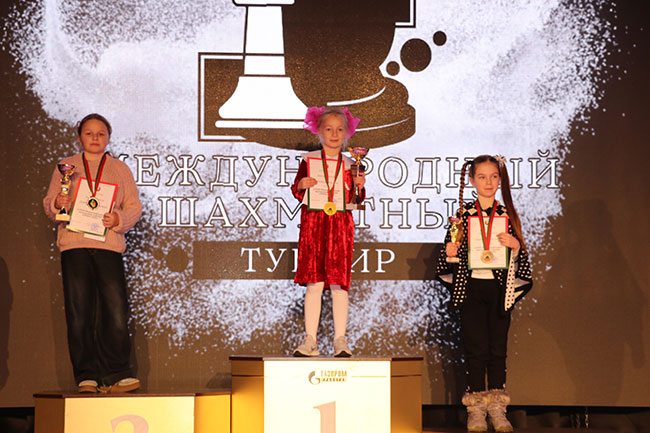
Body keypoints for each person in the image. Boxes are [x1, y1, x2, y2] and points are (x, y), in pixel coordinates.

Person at [43, 113, 142, 393]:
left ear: (108, 137)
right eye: (89, 133)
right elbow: (51, 205)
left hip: (108, 246)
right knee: (79, 311)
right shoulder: (66, 167)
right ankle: (86, 376)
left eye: (101, 133)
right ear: (79, 137)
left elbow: (134, 206)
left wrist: (118, 219)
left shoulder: (120, 169)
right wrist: (58, 203)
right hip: (74, 245)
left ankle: (117, 373)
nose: (95, 138)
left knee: (115, 310)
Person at [436, 155, 533, 432]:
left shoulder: (507, 215)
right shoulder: (463, 216)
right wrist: (450, 253)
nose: (488, 182)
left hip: (499, 289)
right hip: (471, 287)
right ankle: (476, 409)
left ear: (499, 180)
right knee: (475, 349)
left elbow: (522, 263)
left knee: (497, 349)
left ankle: (498, 408)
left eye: (493, 176)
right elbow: (448, 259)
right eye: (482, 177)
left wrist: (515, 246)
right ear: (471, 181)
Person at [291, 106, 365, 357]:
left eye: (339, 129)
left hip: (340, 227)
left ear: (347, 133)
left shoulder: (352, 164)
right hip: (314, 224)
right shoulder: (309, 160)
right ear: (318, 131)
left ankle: (340, 340)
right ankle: (310, 340)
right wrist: (301, 184)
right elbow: (297, 190)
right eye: (329, 129)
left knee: (338, 284)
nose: (334, 134)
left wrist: (359, 186)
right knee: (314, 282)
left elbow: (357, 200)